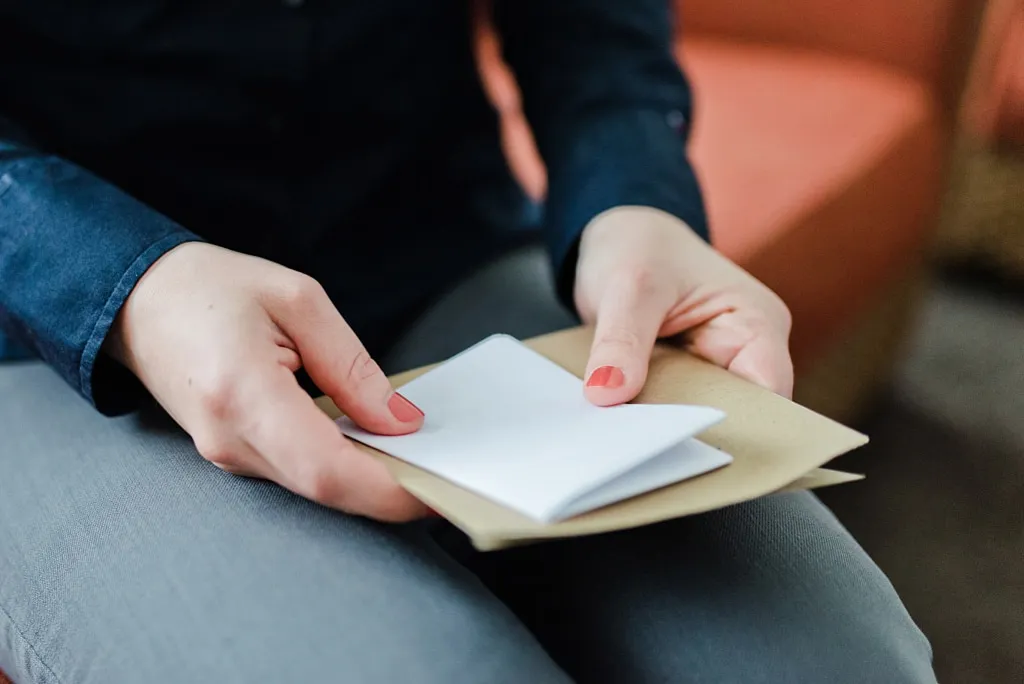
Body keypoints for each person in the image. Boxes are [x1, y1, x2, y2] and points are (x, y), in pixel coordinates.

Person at [0, 1, 936, 682]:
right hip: (45, 330)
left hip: (428, 236)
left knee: (837, 660)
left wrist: (631, 193)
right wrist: (125, 284)